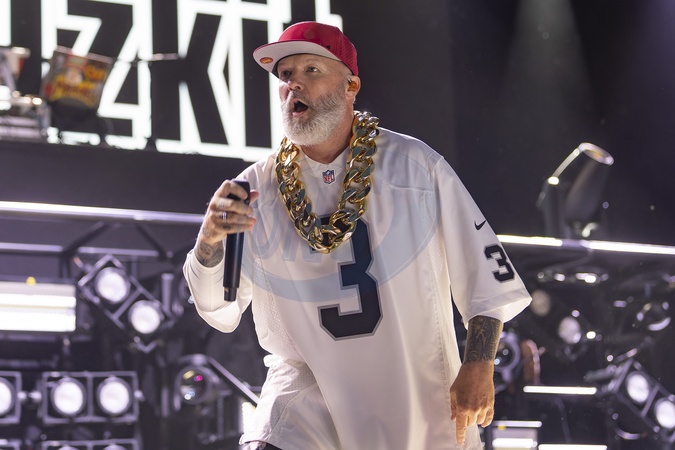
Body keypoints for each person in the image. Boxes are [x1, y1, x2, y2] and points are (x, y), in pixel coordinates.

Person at [183, 21, 532, 450]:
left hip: (415, 396)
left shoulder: (415, 167)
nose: (294, 84)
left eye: (311, 70)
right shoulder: (255, 188)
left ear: (351, 86)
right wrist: (209, 241)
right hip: (305, 400)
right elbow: (219, 309)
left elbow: (487, 281)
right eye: (286, 74)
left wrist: (479, 365)